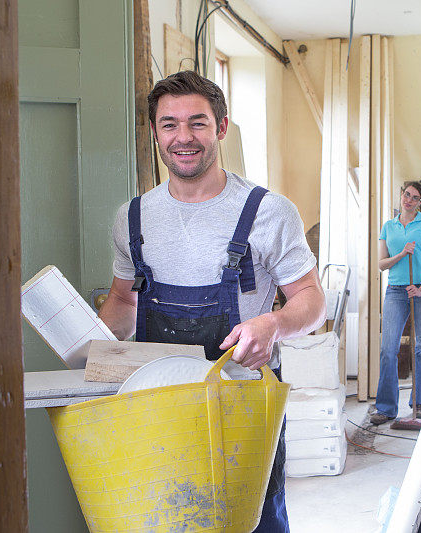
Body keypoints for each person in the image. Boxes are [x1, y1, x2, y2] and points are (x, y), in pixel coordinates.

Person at [98, 70, 326, 531]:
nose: (183, 137)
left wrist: (273, 326)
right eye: (169, 124)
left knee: (253, 519)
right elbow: (124, 300)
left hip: (244, 405)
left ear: (221, 128)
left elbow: (311, 298)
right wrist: (93, 347)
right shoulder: (133, 218)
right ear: (155, 132)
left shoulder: (268, 212)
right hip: (158, 404)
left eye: (197, 123)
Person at [370, 181, 421, 426]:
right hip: (396, 291)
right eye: (406, 195)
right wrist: (401, 254)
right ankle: (386, 408)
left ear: (420, 202)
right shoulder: (388, 227)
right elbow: (381, 264)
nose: (408, 200)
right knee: (388, 349)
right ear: (401, 195)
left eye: (415, 197)